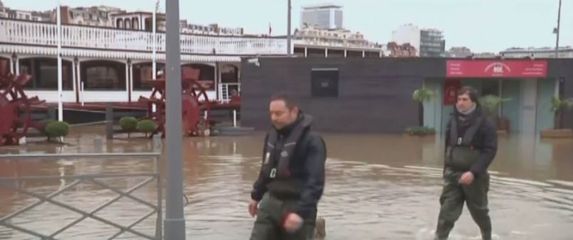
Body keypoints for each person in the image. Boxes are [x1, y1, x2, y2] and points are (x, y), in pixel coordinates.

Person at [248, 93, 327, 240]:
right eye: (271, 113)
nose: (273, 118)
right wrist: (255, 196)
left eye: (279, 113)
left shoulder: (312, 141)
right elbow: (266, 169)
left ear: (294, 111)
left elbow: (315, 181)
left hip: (297, 204)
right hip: (270, 202)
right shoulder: (271, 136)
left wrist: (301, 212)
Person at [435, 86, 498, 240]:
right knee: (446, 213)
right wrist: (445, 170)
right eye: (458, 99)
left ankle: (487, 236)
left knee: (479, 212)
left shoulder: (486, 124)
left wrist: (473, 172)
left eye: (465, 100)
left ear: (473, 102)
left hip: (474, 177)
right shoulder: (452, 121)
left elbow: (490, 151)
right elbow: (447, 148)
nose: (460, 103)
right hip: (452, 175)